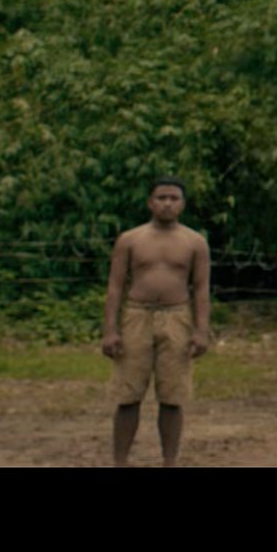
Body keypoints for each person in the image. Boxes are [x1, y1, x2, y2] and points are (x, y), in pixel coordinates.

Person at [101, 177, 211, 467]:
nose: (167, 204)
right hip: (136, 316)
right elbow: (115, 286)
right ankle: (120, 461)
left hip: (177, 317)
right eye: (161, 198)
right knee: (128, 394)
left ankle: (169, 460)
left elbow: (201, 289)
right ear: (150, 203)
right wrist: (110, 330)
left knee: (172, 396)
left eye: (174, 198)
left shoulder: (195, 242)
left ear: (183, 204)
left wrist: (201, 330)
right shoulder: (130, 239)